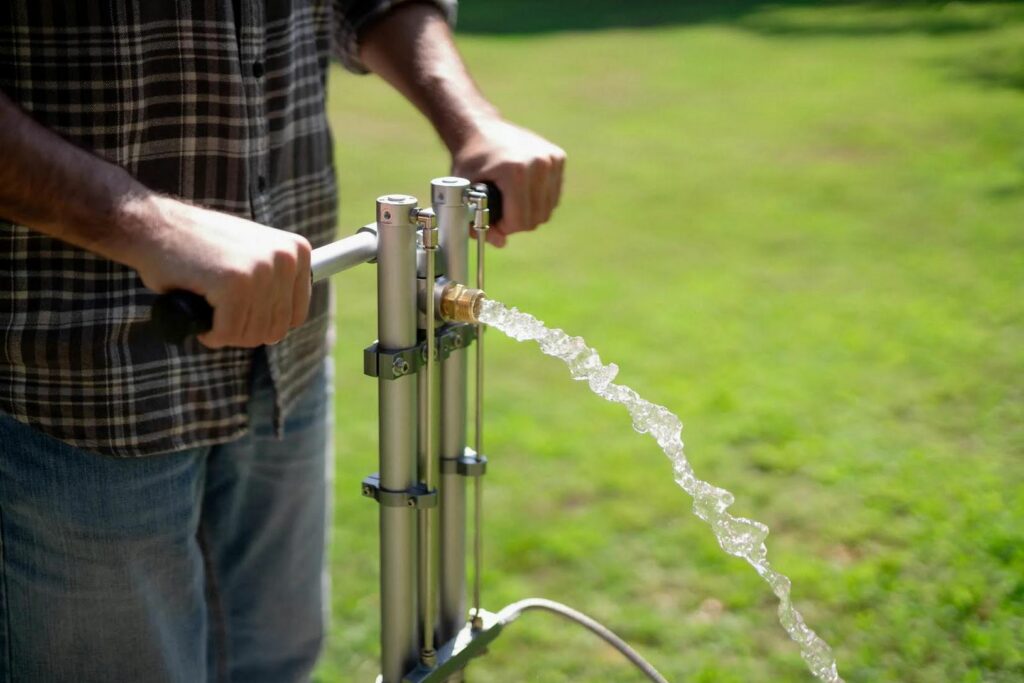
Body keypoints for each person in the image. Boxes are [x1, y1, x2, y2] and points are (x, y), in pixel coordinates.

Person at [0, 1, 564, 681]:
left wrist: (474, 120)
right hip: (77, 383)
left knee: (277, 664)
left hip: (285, 365)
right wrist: (141, 224)